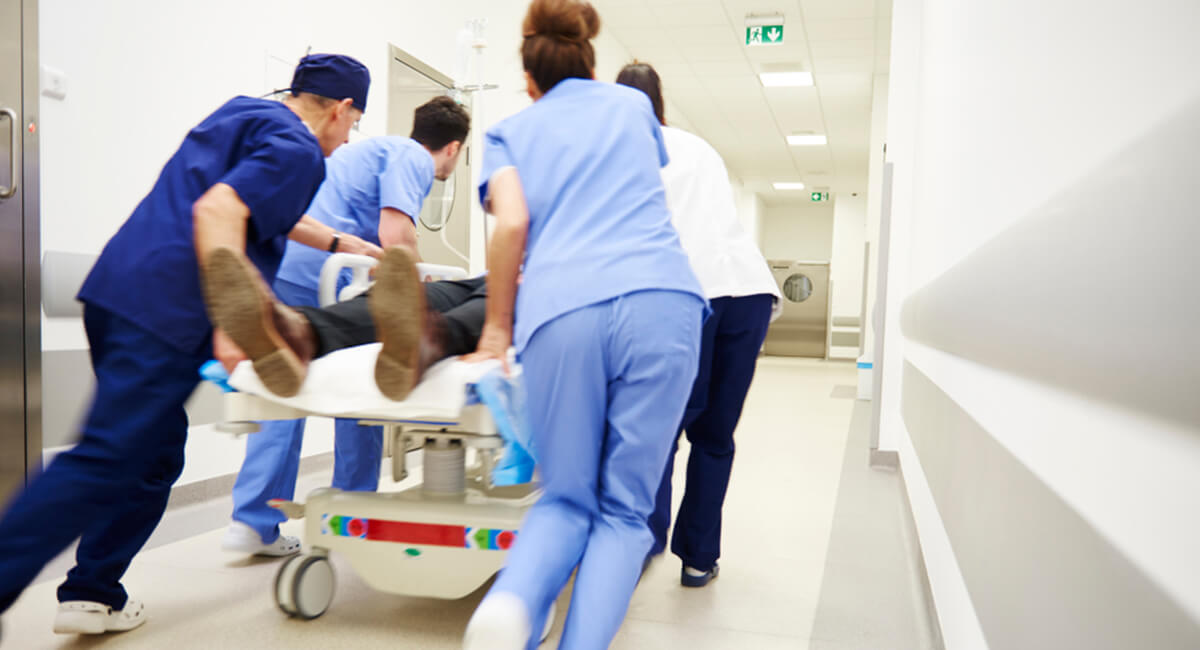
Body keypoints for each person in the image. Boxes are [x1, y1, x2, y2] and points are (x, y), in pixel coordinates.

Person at [0, 53, 369, 636]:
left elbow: (255, 202)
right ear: (342, 109)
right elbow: (220, 209)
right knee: (104, 458)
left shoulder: (244, 114)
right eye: (354, 126)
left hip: (118, 290)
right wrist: (231, 320)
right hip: (170, 307)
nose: (348, 141)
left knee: (154, 453)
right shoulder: (300, 151)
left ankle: (93, 591)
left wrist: (342, 244)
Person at [460, 1, 707, 647]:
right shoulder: (630, 108)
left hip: (562, 309)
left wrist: (494, 329)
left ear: (528, 73)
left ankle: (512, 604)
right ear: (585, 54)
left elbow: (512, 224)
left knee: (566, 498)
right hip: (663, 302)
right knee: (625, 512)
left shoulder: (510, 132)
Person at [221, 97, 471, 557]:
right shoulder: (412, 157)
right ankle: (355, 510)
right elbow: (396, 237)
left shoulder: (367, 151)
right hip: (331, 276)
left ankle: (252, 522)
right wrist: (423, 286)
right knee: (366, 388)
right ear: (453, 148)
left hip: (289, 271)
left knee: (283, 391)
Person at [616, 62, 781, 588]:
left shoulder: (621, 150)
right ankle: (698, 559)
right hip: (749, 291)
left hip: (690, 297)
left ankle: (643, 547)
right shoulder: (698, 146)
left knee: (660, 431)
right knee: (715, 435)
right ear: (660, 102)